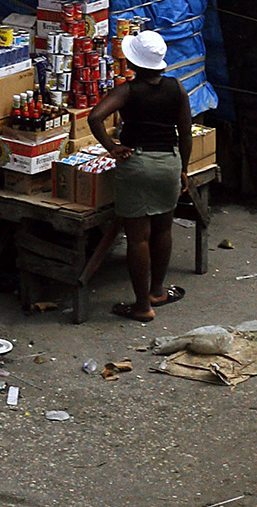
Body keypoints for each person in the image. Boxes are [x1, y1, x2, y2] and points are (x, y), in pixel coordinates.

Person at [95, 28, 193, 322]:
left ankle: (142, 306)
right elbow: (185, 133)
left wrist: (112, 147)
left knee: (138, 238)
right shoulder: (177, 88)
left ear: (134, 64)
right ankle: (158, 291)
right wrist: (183, 169)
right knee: (163, 229)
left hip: (137, 164)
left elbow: (95, 117)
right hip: (168, 163)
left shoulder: (126, 91)